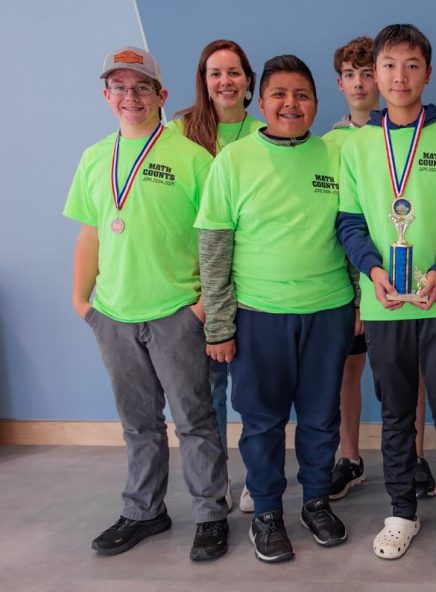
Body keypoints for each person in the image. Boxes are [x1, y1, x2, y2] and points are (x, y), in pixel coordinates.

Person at [64, 46, 229, 561]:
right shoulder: (95, 158)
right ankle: (143, 511)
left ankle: (210, 514)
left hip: (177, 312)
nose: (130, 96)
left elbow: (216, 239)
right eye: (119, 87)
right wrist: (82, 303)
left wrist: (201, 307)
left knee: (195, 421)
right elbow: (91, 234)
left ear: (162, 95)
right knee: (138, 424)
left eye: (141, 87)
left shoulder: (194, 158)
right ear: (105, 95)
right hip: (113, 315)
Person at [336, 23, 436, 561]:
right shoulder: (357, 146)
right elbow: (350, 223)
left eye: (411, 65)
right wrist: (373, 270)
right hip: (385, 304)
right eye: (389, 65)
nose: (399, 76)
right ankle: (401, 510)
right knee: (397, 414)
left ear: (426, 73)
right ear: (375, 74)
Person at [196, 54, 354, 563]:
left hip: (328, 310)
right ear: (260, 102)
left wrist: (357, 301)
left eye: (302, 95)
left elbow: (352, 230)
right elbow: (214, 249)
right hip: (259, 315)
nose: (291, 104)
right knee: (261, 421)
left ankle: (315, 501)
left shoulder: (335, 156)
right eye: (279, 95)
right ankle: (266, 511)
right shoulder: (233, 160)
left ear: (316, 103)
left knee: (321, 418)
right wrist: (219, 326)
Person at [169, 38, 265, 513]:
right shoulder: (180, 132)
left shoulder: (266, 133)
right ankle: (215, 483)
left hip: (249, 286)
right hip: (194, 288)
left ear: (248, 81)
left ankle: (257, 479)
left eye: (233, 72)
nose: (225, 81)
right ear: (203, 81)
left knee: (251, 394)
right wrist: (201, 294)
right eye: (215, 73)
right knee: (207, 394)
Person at [322, 35, 380, 502]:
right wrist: (355, 291)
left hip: (401, 276)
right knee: (347, 369)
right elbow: (335, 221)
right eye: (349, 75)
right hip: (349, 280)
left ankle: (415, 457)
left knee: (409, 372)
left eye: (367, 73)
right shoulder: (328, 144)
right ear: (339, 83)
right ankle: (350, 458)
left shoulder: (400, 132)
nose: (359, 83)